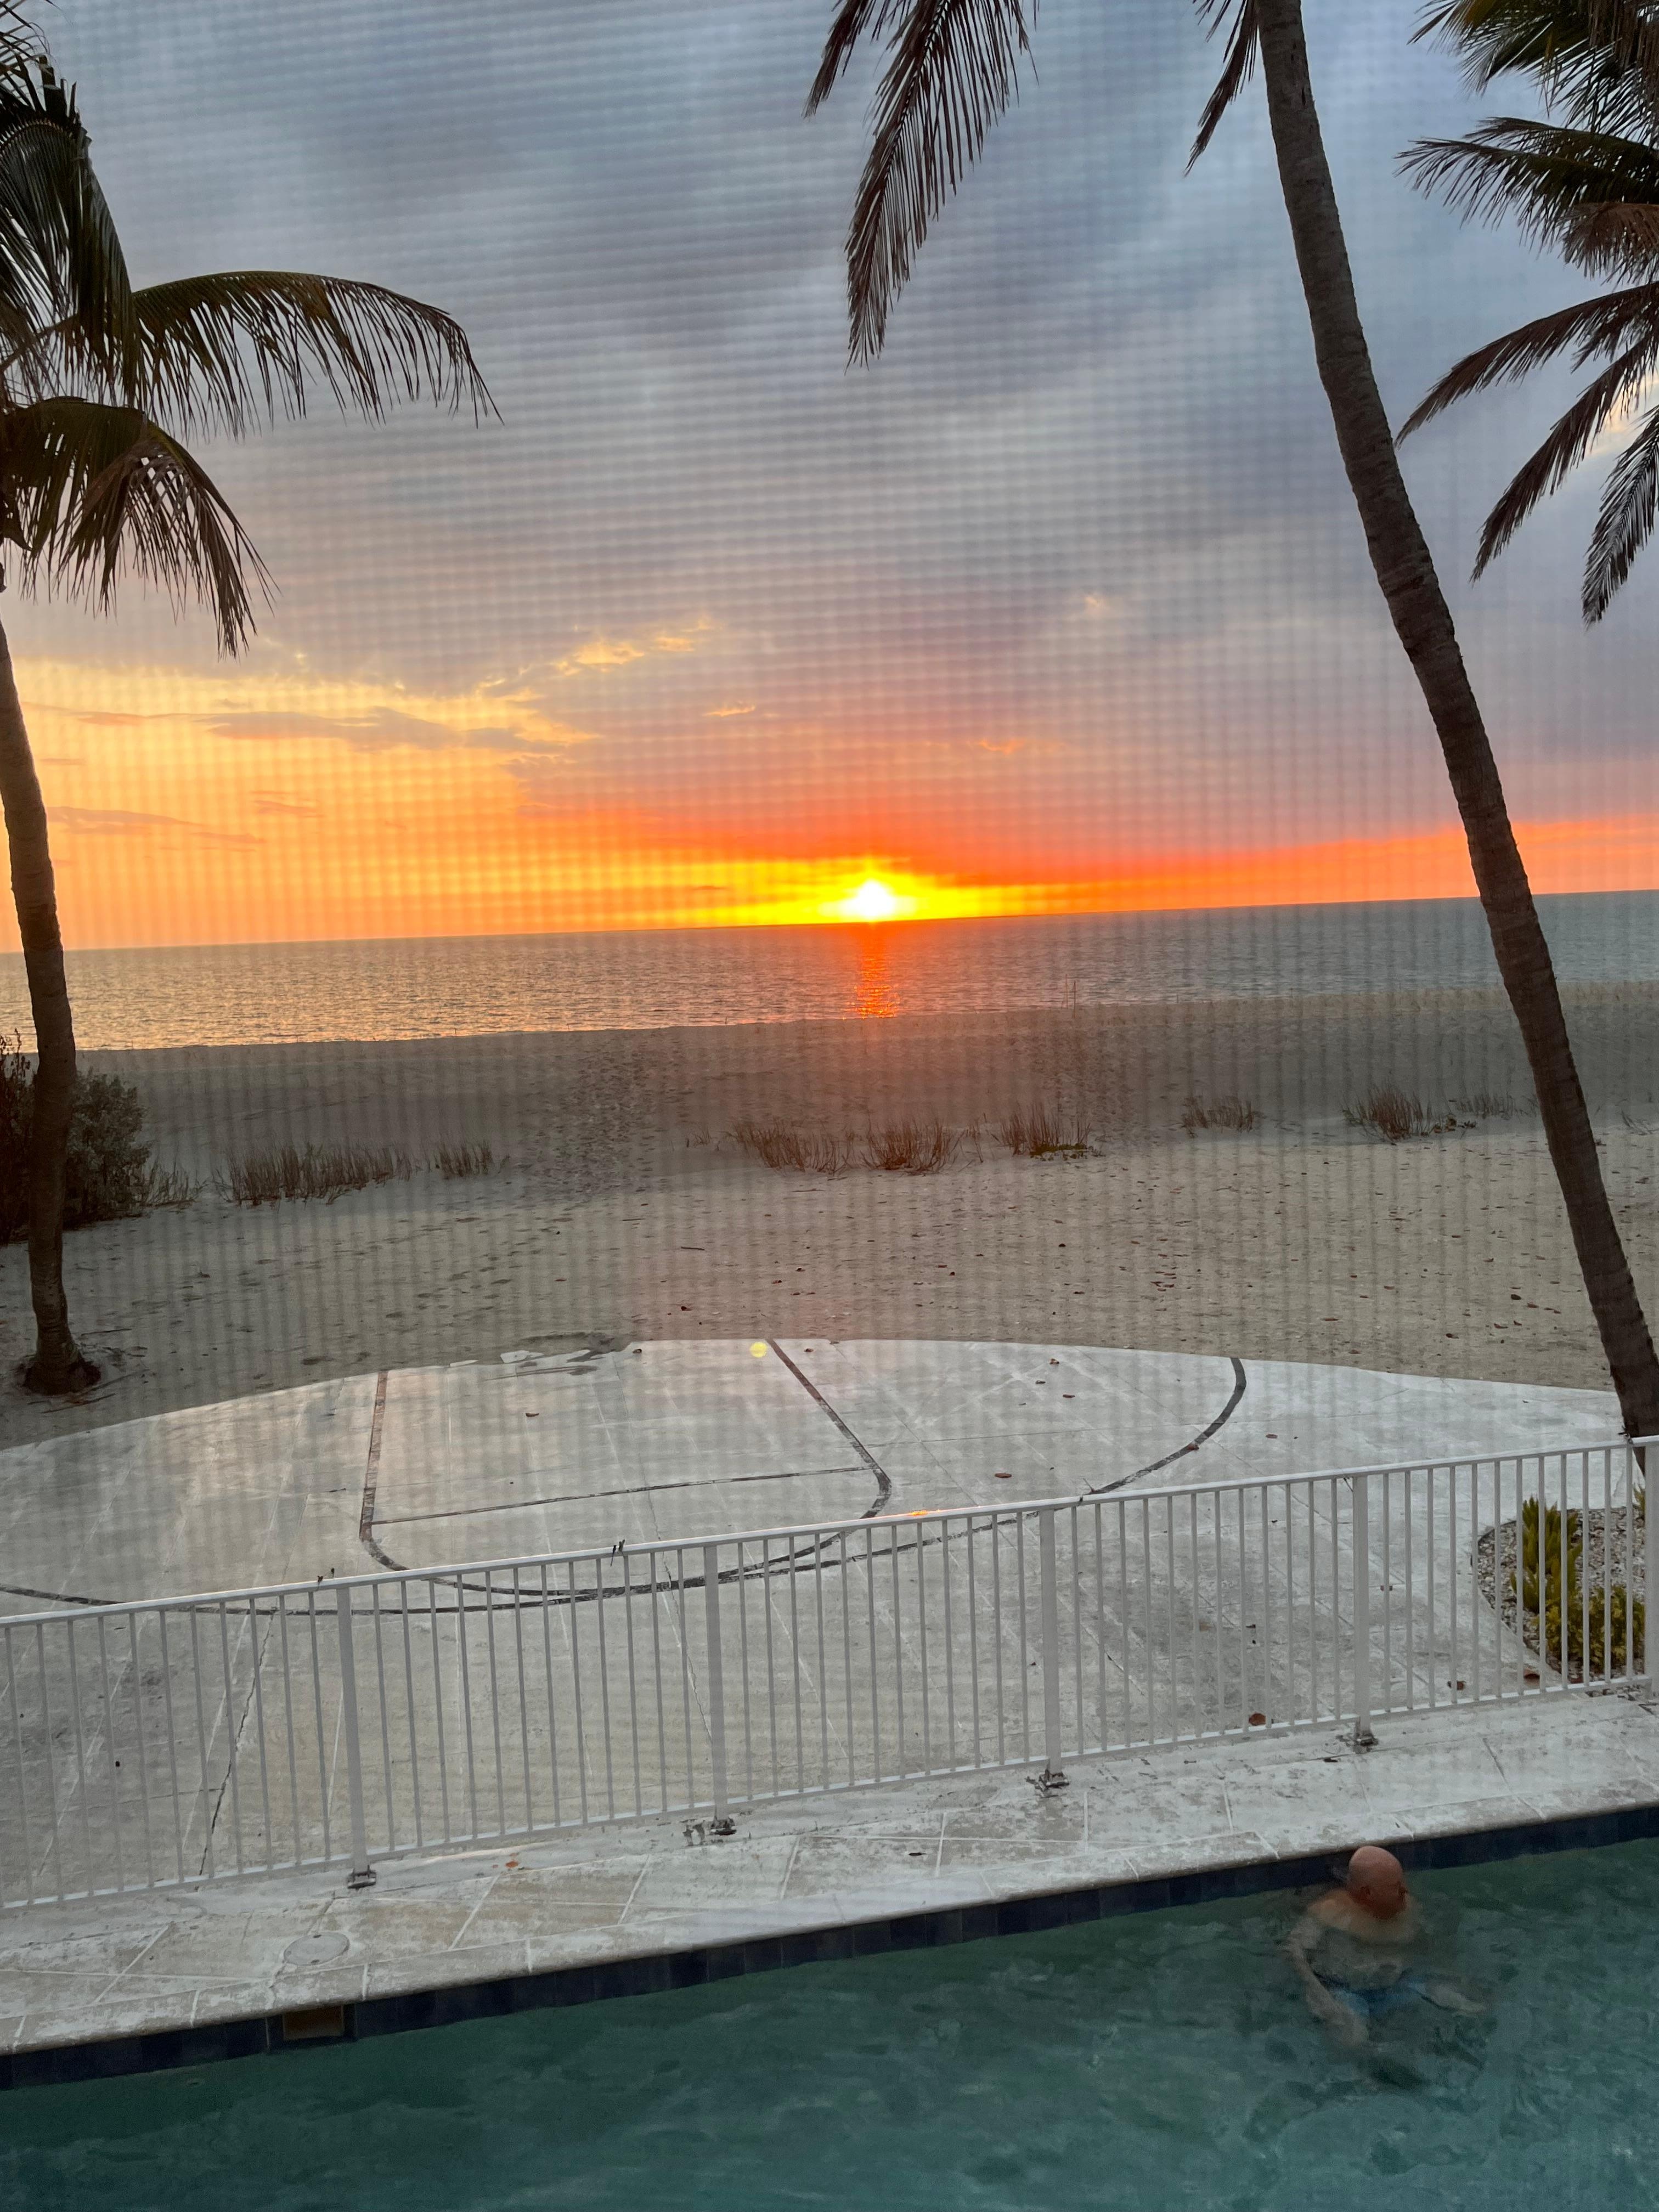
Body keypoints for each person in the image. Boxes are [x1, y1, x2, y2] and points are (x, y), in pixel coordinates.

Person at [1284, 1845, 1482, 2048]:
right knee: (1353, 2041)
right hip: (1345, 1990)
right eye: (1395, 1886)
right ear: (1367, 1892)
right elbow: (1294, 1949)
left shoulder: (1408, 1908)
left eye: (1402, 1881)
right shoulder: (1329, 1912)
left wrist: (1447, 1970)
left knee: (1471, 2005)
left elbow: (1429, 1947)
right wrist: (1318, 1993)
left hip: (1398, 1983)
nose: (1405, 1890)